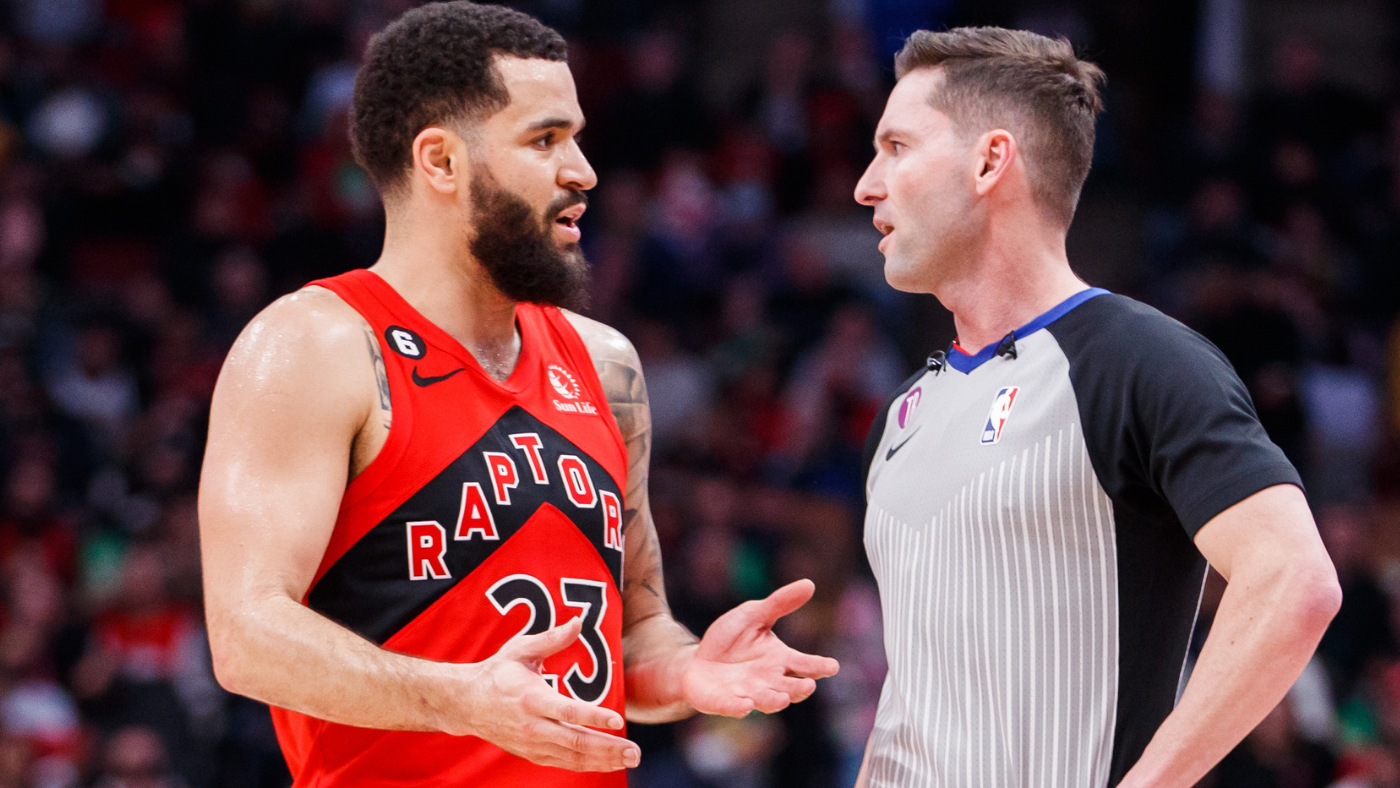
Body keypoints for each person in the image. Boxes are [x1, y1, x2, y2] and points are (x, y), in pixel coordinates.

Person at [196, 4, 838, 787]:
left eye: (575, 136)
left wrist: (690, 670)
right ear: (440, 161)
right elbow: (245, 635)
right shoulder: (316, 345)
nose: (583, 171)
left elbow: (634, 633)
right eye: (545, 139)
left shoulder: (605, 364)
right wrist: (456, 698)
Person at [852, 27, 1340, 788]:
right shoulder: (904, 412)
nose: (866, 185)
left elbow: (1295, 581)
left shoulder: (1138, 362)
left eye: (896, 147)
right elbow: (914, 702)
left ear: (990, 161)